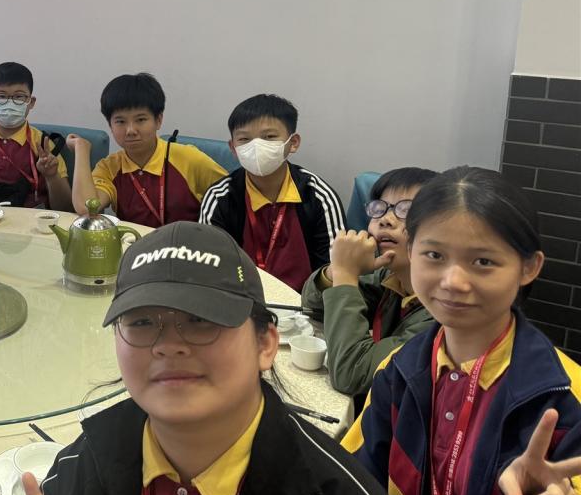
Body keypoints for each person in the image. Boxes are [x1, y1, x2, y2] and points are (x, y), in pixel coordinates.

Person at [0, 222, 441, 495]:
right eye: (142, 322)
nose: (168, 345)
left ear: (266, 344)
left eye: (201, 319)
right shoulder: (80, 472)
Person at [344, 167, 581, 495]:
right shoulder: (400, 370)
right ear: (411, 251)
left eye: (483, 262)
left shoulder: (565, 394)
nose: (453, 281)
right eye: (434, 255)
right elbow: (357, 483)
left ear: (529, 267)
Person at [302, 167, 437, 400]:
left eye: (406, 210)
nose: (386, 220)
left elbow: (351, 374)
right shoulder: (390, 276)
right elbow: (313, 304)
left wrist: (346, 274)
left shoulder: (441, 314)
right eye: (379, 209)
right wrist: (337, 271)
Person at [199, 93, 345, 290]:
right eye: (244, 139)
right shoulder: (220, 198)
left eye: (269, 137)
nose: (256, 146)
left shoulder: (319, 197)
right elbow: (209, 267)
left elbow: (337, 271)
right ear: (233, 148)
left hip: (305, 302)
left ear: (293, 142)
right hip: (240, 299)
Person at [69, 73, 226, 226]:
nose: (130, 130)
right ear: (110, 126)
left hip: (187, 242)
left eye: (141, 120)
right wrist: (81, 149)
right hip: (135, 243)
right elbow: (86, 209)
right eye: (120, 121)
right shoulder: (110, 167)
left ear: (158, 120)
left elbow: (232, 196)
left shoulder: (188, 158)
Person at [0, 61, 70, 210]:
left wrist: (52, 176)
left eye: (19, 97)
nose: (10, 103)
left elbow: (66, 209)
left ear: (31, 102)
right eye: (2, 96)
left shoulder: (43, 145)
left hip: (30, 220)